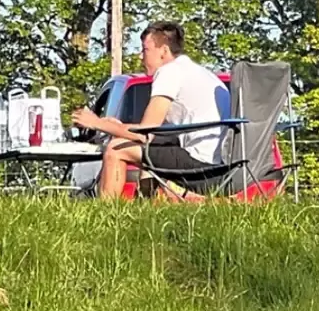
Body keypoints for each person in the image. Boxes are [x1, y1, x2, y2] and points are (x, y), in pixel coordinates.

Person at [71, 21, 225, 200]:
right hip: (221, 161)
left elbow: (145, 133)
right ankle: (146, 205)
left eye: (145, 50)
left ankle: (105, 215)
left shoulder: (169, 72)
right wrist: (117, 126)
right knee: (149, 150)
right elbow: (157, 132)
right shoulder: (202, 74)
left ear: (164, 51)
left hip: (201, 162)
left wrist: (95, 122)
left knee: (116, 148)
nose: (140, 57)